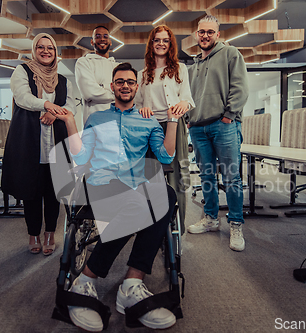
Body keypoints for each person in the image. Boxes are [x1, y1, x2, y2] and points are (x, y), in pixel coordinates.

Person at [56, 63, 181, 331]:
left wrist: (172, 120)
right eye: (120, 81)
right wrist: (70, 122)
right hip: (102, 183)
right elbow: (79, 156)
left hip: (135, 184)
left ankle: (132, 282)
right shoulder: (96, 119)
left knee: (166, 195)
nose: (125, 85)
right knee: (140, 202)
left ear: (137, 87)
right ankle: (86, 279)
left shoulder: (147, 120)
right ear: (112, 86)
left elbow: (166, 156)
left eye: (130, 82)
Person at [2, 33, 76, 255]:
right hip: (28, 141)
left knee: (54, 191)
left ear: (55, 53)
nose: (46, 51)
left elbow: (70, 104)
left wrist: (54, 113)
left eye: (50, 48)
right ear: (34, 50)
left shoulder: (63, 80)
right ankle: (33, 233)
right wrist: (47, 105)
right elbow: (22, 97)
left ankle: (50, 233)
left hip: (56, 141)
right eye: (41, 47)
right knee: (30, 191)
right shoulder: (21, 72)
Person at [186, 15, 249, 252]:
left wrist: (229, 115)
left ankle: (235, 224)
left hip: (224, 125)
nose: (205, 36)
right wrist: (189, 121)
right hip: (198, 128)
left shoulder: (230, 54)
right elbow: (188, 97)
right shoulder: (194, 65)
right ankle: (211, 219)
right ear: (196, 34)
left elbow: (240, 88)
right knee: (207, 177)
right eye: (201, 32)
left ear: (218, 34)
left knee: (231, 178)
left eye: (210, 32)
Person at [135, 25, 195, 234]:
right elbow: (137, 104)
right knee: (152, 176)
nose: (161, 43)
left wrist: (183, 104)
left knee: (176, 175)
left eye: (165, 40)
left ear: (170, 44)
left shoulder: (180, 69)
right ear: (151, 44)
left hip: (174, 125)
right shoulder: (143, 74)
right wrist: (142, 108)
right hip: (150, 129)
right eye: (157, 40)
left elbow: (188, 99)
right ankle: (154, 228)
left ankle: (177, 226)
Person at [75, 25, 119, 123]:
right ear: (92, 42)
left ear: (110, 41)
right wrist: (116, 94)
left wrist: (102, 87)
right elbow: (90, 93)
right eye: (98, 36)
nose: (102, 39)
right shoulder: (84, 62)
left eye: (105, 36)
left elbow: (127, 94)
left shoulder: (118, 66)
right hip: (94, 124)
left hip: (117, 123)